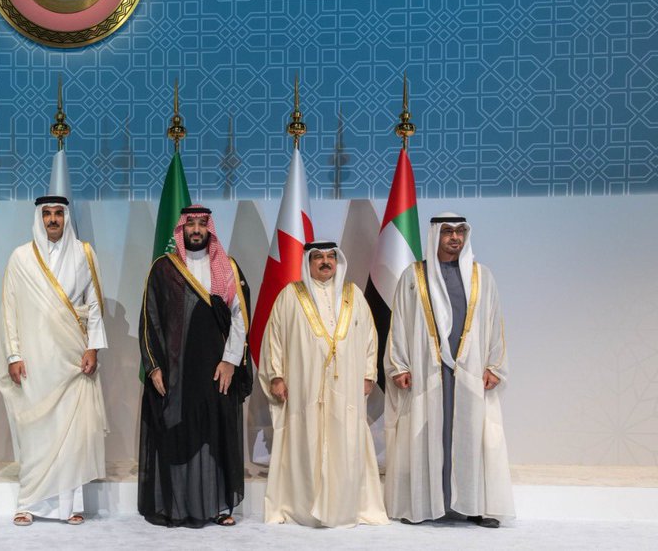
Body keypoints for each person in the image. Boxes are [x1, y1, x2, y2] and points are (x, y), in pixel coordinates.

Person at [384, 213, 513, 527]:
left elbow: (494, 321)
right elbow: (399, 322)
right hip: (427, 371)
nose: (455, 237)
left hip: (470, 372)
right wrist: (399, 365)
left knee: (471, 435)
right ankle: (423, 506)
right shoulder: (414, 276)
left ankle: (474, 506)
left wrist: (494, 366)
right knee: (427, 433)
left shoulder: (482, 276)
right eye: (447, 231)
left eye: (459, 231)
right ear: (435, 235)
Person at [259, 241, 388, 527]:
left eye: (331, 256)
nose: (325, 262)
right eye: (318, 257)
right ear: (308, 262)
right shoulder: (290, 296)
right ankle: (305, 507)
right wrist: (276, 376)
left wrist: (368, 375)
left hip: (347, 388)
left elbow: (370, 337)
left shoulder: (353, 295)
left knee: (345, 443)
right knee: (307, 441)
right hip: (304, 387)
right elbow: (274, 339)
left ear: (338, 261)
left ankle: (344, 506)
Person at [0, 196, 108, 526]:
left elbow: (95, 305)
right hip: (33, 358)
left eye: (58, 213)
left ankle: (69, 506)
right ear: (39, 217)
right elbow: (9, 309)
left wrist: (93, 348)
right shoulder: (20, 258)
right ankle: (27, 503)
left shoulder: (84, 253)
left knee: (73, 433)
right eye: (47, 214)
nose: (53, 219)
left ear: (66, 217)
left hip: (73, 357)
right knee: (36, 432)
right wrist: (13, 355)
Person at [138, 205, 252, 527]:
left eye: (203, 223)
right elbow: (149, 319)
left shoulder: (228, 268)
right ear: (182, 229)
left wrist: (230, 361)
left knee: (215, 434)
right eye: (191, 224)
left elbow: (240, 318)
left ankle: (218, 506)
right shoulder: (163, 268)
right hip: (175, 373)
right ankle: (177, 506)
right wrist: (154, 366)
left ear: (210, 228)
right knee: (178, 435)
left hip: (216, 370)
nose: (197, 229)